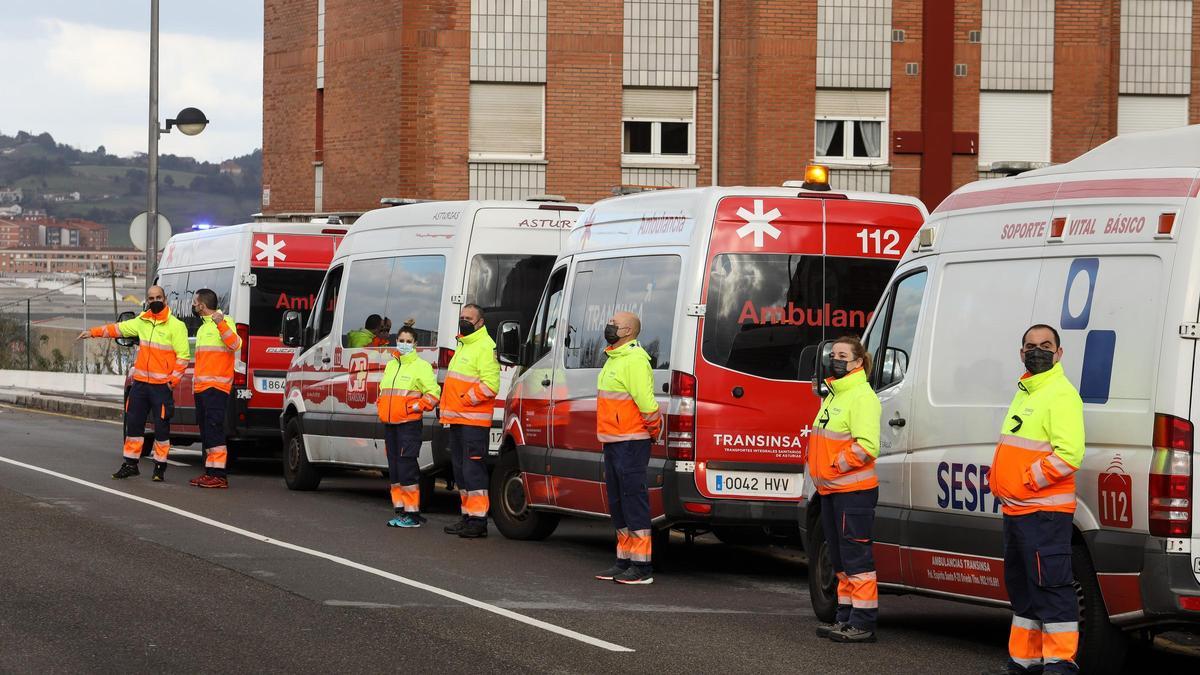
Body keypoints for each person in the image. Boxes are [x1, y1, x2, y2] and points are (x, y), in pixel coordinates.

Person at [988, 325, 1084, 674]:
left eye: (1046, 346)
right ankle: (1024, 664)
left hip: (1044, 514)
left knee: (1051, 592)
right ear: (1021, 353)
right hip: (1018, 512)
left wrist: (1028, 480)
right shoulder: (1028, 391)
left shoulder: (1060, 393)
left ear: (1059, 353)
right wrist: (1000, 480)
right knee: (1024, 593)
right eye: (1030, 346)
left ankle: (1059, 667)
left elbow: (1070, 454)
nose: (1037, 351)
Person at [807, 335, 881, 643]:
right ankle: (845, 618)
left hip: (853, 492)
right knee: (840, 560)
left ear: (857, 362)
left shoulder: (862, 397)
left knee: (856, 559)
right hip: (832, 491)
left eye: (841, 355)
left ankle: (862, 621)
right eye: (832, 354)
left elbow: (867, 446)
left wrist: (834, 466)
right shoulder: (835, 395)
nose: (834, 359)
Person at [77, 285, 189, 481]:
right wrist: (92, 332)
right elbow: (117, 329)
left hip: (162, 387)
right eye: (151, 297)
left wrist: (173, 381)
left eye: (158, 297)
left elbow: (183, 357)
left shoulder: (176, 326)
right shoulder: (141, 322)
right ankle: (130, 464)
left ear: (165, 300)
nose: (155, 301)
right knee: (134, 425)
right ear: (147, 300)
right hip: (140, 385)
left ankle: (160, 467)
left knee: (161, 428)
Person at [593, 311, 661, 585]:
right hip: (613, 440)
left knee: (633, 500)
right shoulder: (613, 358)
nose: (609, 327)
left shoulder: (634, 360)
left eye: (614, 324)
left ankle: (642, 567)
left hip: (631, 441)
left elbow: (647, 404)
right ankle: (624, 560)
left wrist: (653, 431)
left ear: (629, 331)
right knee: (618, 502)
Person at [439, 303, 500, 538]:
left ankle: (478, 521)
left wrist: (465, 399)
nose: (463, 320)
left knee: (473, 471)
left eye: (469, 318)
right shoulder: (464, 345)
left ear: (480, 322)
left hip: (473, 422)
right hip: (457, 420)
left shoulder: (485, 346)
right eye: (462, 316)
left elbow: (490, 385)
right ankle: (467, 516)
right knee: (461, 470)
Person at [378, 324, 440, 527]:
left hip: (408, 426)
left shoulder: (421, 366)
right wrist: (381, 406)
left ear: (415, 344)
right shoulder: (391, 365)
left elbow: (433, 394)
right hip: (390, 424)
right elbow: (384, 392)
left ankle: (412, 514)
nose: (404, 344)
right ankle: (400, 510)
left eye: (408, 341)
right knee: (394, 470)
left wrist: (415, 406)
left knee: (407, 468)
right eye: (401, 340)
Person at [187, 289, 241, 489]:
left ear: (202, 305)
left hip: (216, 387)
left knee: (215, 429)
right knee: (207, 431)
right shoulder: (202, 329)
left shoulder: (224, 321)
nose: (193, 306)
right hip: (202, 388)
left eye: (195, 303)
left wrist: (220, 323)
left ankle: (219, 475)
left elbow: (235, 344)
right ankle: (210, 472)